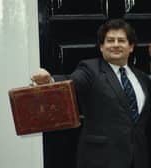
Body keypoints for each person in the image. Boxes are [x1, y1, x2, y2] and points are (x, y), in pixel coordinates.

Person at [31, 19, 151, 168]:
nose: (115, 45)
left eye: (121, 40)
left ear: (131, 47)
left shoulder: (143, 78)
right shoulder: (90, 69)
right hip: (101, 160)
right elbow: (71, 82)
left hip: (138, 159)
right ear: (101, 46)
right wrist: (49, 80)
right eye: (110, 41)